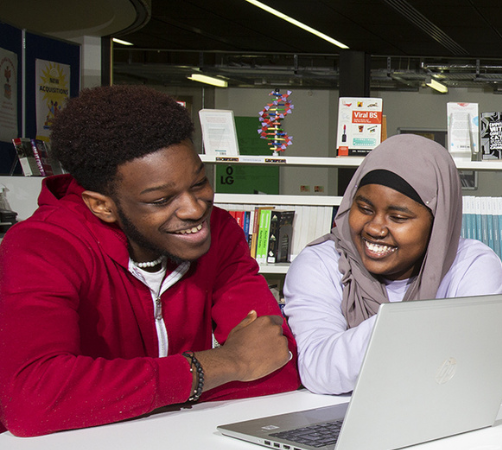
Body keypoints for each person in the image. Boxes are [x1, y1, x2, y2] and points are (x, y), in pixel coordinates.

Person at [0, 85, 299, 437]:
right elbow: (33, 401)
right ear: (102, 205)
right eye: (160, 199)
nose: (194, 209)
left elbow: (276, 361)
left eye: (199, 183)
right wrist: (227, 363)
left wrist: (119, 393)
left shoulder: (219, 231)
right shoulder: (41, 246)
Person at [283, 134, 502, 395]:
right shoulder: (321, 263)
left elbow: (470, 375)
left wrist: (379, 339)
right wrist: (420, 325)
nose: (375, 228)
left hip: (455, 421)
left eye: (398, 217)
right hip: (346, 423)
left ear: (438, 223)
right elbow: (319, 371)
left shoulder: (472, 265)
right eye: (364, 208)